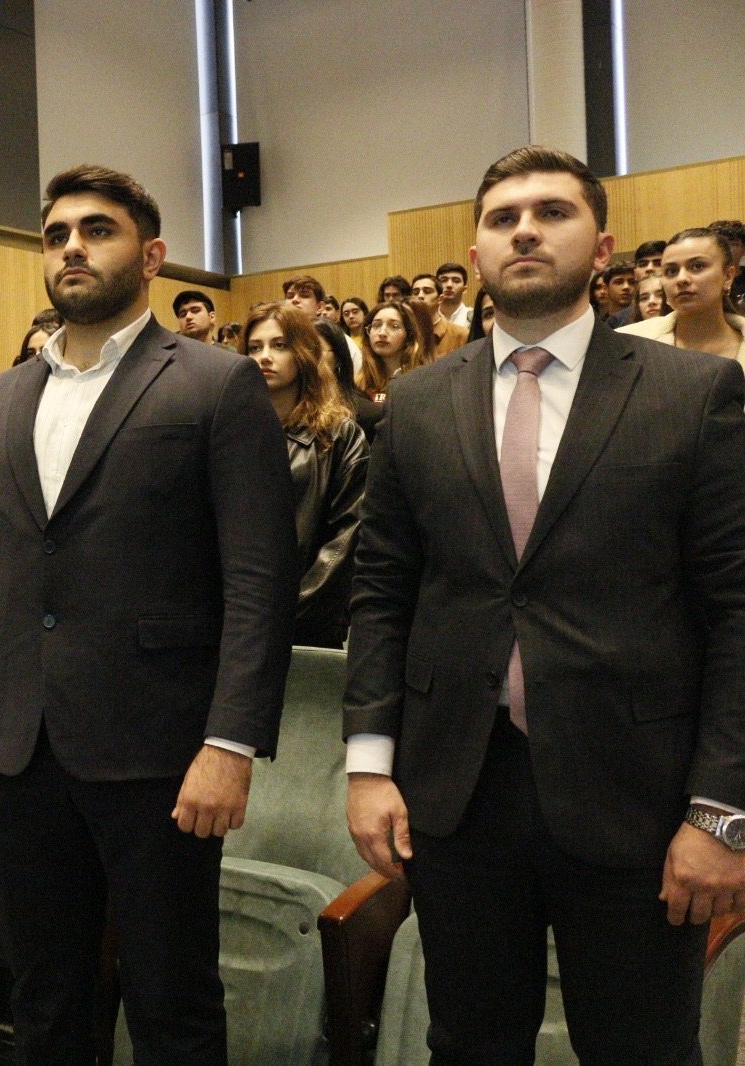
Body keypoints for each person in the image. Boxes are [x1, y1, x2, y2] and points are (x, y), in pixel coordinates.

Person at [344, 145, 745, 1063]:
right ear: (477, 253)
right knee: (468, 1044)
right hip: (457, 793)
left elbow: (735, 609)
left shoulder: (693, 393)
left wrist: (722, 811)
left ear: (602, 248)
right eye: (503, 218)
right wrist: (368, 766)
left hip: (638, 797)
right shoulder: (416, 401)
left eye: (552, 213)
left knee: (642, 1050)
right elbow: (383, 593)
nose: (524, 230)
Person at [0, 164, 296, 1064]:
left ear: (151, 256)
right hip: (19, 742)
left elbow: (258, 582)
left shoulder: (216, 382)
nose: (72, 248)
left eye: (97, 230)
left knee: (170, 999)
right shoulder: (1, 398)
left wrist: (231, 742)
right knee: (43, 994)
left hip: (160, 748)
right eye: (57, 235)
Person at [245, 304, 367, 649]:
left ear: (303, 353)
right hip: (236, 620)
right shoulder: (230, 431)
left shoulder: (339, 434)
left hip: (309, 622)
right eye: (254, 347)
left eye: (279, 345)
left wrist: (289, 612)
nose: (264, 356)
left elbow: (349, 536)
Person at [620, 227, 745, 362]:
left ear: (728, 276)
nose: (681, 279)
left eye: (697, 266)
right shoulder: (628, 341)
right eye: (671, 271)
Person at [318, 319, 381, 440]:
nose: (306, 356)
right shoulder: (286, 406)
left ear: (337, 357)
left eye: (315, 349)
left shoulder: (367, 414)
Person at [358, 300, 425, 402]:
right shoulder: (359, 383)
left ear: (409, 336)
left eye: (394, 326)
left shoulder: (422, 380)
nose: (382, 333)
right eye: (376, 325)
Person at [411, 273, 468, 357]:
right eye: (416, 292)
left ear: (440, 299)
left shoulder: (461, 335)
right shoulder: (406, 333)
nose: (420, 296)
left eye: (427, 291)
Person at [435, 262, 472, 329]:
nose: (449, 285)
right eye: (444, 280)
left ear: (464, 289)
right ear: (436, 287)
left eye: (456, 281)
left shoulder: (474, 317)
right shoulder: (427, 318)